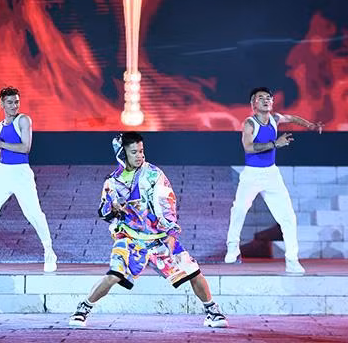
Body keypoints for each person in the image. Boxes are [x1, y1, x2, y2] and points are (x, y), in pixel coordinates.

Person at [69, 132, 227, 329]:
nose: (139, 156)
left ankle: (212, 311)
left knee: (193, 272)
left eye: (141, 151)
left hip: (159, 238)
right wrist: (113, 207)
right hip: (130, 238)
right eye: (134, 152)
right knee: (114, 274)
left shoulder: (154, 174)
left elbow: (167, 203)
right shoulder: (112, 182)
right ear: (122, 154)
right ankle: (83, 309)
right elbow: (103, 211)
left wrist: (171, 233)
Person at [224, 87, 323, 274]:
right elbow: (248, 148)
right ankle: (233, 246)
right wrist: (275, 144)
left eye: (269, 98)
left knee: (288, 217)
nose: (266, 100)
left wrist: (310, 125)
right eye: (261, 98)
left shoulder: (275, 118)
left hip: (271, 175)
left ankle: (292, 260)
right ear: (253, 104)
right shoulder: (250, 123)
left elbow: (292, 118)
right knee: (239, 209)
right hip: (252, 175)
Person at [0, 86, 57, 273]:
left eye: (16, 102)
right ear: (1, 104)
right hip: (2, 172)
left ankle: (49, 252)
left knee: (33, 214)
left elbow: (25, 148)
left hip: (21, 172)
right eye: (10, 102)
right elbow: (1, 154)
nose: (14, 105)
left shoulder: (24, 120)